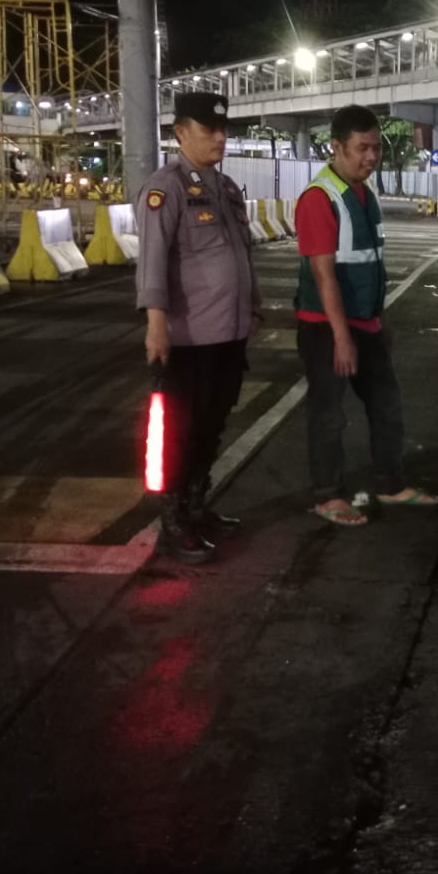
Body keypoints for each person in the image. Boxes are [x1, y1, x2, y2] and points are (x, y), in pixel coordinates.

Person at [296, 105, 438, 526]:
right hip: (326, 328)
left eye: (376, 147)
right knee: (329, 414)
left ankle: (388, 483)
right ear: (336, 147)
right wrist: (342, 338)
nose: (372, 156)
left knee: (386, 404)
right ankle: (327, 495)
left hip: (366, 323)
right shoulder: (320, 198)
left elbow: (370, 264)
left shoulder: (365, 194)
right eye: (362, 148)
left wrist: (379, 321)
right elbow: (324, 275)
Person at [136, 92, 264, 563]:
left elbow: (242, 254)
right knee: (182, 431)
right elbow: (151, 261)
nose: (220, 137)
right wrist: (156, 324)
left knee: (213, 425)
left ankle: (196, 506)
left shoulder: (226, 188)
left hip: (229, 334)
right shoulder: (164, 189)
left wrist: (253, 308)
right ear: (180, 133)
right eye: (209, 129)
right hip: (189, 338)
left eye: (223, 129)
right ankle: (173, 522)